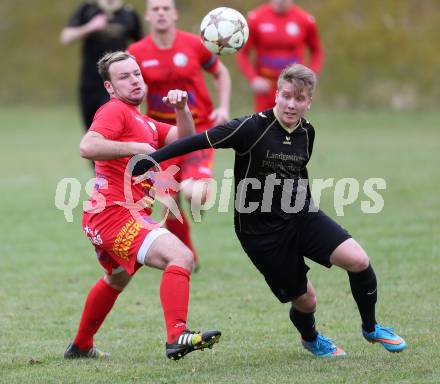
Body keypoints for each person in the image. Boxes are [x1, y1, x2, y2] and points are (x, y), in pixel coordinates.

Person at [132, 64, 407, 357]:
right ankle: (311, 337)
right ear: (276, 94)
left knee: (359, 260)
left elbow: (298, 172)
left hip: (301, 214)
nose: (291, 104)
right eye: (286, 95)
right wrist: (152, 159)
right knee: (307, 301)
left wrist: (311, 211)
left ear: (308, 102)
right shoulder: (251, 127)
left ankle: (371, 327)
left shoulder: (306, 132)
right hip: (260, 232)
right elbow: (199, 140)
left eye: (299, 98)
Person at [63, 51, 221, 361]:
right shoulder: (115, 111)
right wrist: (133, 147)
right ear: (110, 87)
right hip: (113, 213)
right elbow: (88, 146)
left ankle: (81, 346)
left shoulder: (145, 121)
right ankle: (177, 336)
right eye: (124, 77)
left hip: (103, 216)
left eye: (136, 73)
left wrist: (181, 108)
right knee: (181, 256)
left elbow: (185, 140)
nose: (134, 80)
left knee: (117, 277)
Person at [127, 0, 232, 271]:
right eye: (156, 9)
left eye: (166, 8)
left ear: (174, 14)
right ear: (148, 16)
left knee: (192, 193)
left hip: (198, 133)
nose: (161, 13)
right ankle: (189, 257)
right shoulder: (137, 52)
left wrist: (223, 107)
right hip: (163, 139)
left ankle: (201, 192)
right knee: (168, 200)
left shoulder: (194, 44)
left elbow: (220, 73)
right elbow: (130, 91)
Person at [60, 0, 143, 131]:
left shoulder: (128, 13)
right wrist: (90, 26)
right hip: (90, 83)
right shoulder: (87, 9)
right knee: (91, 130)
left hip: (118, 84)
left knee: (113, 129)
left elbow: (142, 46)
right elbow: (65, 37)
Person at [236, 0, 324, 112]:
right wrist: (253, 79)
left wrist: (309, 77)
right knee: (263, 127)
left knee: (290, 127)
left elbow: (317, 51)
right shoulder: (255, 18)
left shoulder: (305, 19)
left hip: (295, 86)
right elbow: (243, 53)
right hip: (266, 87)